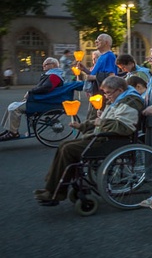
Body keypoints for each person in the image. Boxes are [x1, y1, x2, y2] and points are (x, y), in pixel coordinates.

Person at [33, 76, 144, 204]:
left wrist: (102, 121)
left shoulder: (130, 102)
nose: (106, 96)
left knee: (68, 149)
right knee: (64, 145)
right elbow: (103, 121)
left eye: (108, 93)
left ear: (119, 90)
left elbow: (124, 127)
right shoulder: (118, 99)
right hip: (105, 137)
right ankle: (53, 188)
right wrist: (82, 126)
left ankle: (55, 191)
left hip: (112, 141)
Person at [1, 57, 65, 140]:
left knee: (14, 109)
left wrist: (30, 92)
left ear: (53, 65)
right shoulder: (52, 75)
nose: (43, 67)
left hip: (43, 102)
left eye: (45, 65)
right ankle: (10, 129)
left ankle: (13, 133)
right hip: (42, 100)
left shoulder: (54, 76)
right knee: (12, 106)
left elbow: (46, 88)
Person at [76, 34, 117, 119]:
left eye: (99, 40)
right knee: (91, 117)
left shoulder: (109, 56)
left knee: (94, 119)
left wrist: (93, 77)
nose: (96, 41)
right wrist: (84, 70)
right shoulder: (102, 56)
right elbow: (95, 73)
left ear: (106, 42)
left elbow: (111, 76)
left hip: (102, 95)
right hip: (96, 93)